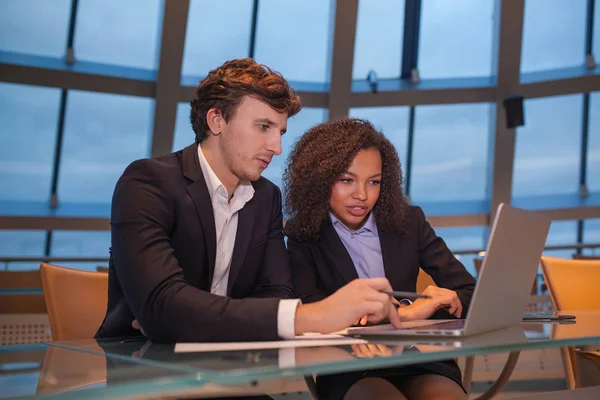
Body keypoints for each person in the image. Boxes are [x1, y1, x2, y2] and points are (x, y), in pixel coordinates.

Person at [95, 59, 401, 346]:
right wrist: (312, 316)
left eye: (280, 131)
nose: (277, 147)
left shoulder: (266, 197)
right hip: (139, 365)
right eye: (263, 127)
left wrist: (186, 316)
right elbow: (162, 307)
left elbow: (278, 294)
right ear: (216, 120)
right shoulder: (147, 183)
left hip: (230, 364)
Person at [284, 118, 476, 400]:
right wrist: (404, 314)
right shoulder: (303, 234)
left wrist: (418, 311)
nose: (362, 195)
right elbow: (309, 310)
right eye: (346, 180)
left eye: (374, 182)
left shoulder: (410, 223)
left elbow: (471, 294)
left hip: (420, 358)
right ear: (319, 179)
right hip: (348, 364)